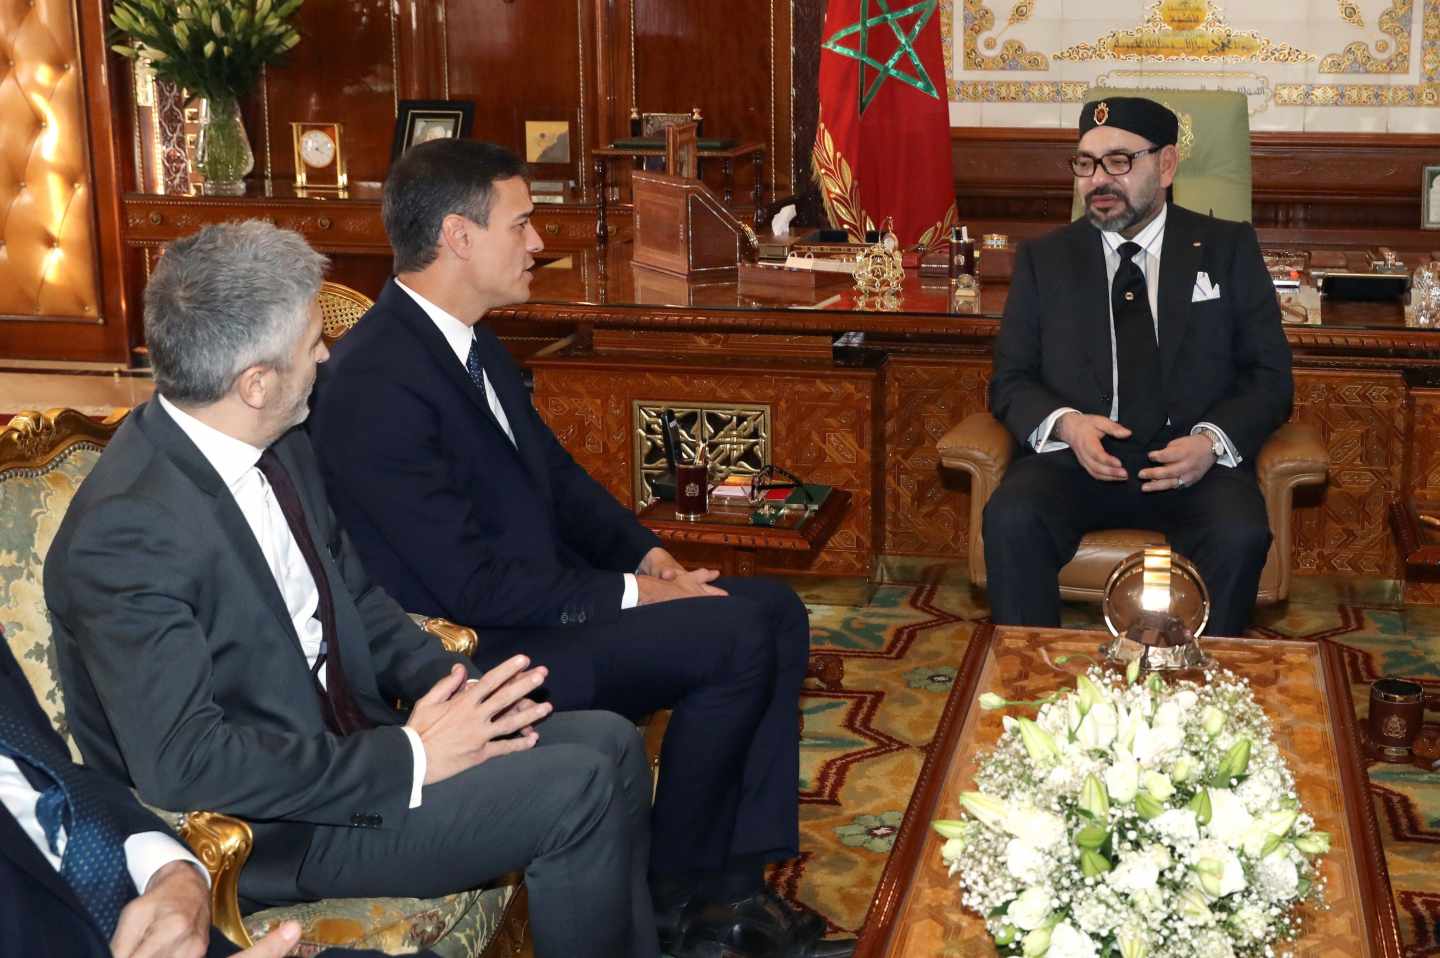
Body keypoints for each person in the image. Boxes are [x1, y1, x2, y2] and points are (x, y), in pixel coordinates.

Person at [43, 221, 658, 958]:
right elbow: (187, 762)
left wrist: (465, 691)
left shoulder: (280, 441)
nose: (328, 354)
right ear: (256, 382)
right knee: (577, 789)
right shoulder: (126, 537)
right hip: (282, 827)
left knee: (612, 740)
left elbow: (358, 600)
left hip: (354, 744)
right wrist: (412, 758)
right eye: (313, 344)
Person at [309, 139, 851, 958]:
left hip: (540, 607)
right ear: (459, 236)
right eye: (521, 225)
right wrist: (638, 599)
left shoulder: (468, 338)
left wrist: (646, 557)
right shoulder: (374, 381)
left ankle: (732, 887)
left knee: (772, 609)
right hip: (473, 655)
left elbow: (555, 481)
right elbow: (470, 585)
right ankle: (676, 899)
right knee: (733, 635)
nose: (537, 244)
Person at [984, 96, 1293, 637]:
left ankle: (1199, 695)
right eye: (1086, 163)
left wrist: (1210, 442)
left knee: (1239, 532)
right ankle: (1026, 681)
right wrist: (1067, 425)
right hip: (1079, 461)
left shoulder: (1227, 248)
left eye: (1119, 161)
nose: (1098, 179)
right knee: (1012, 517)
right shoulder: (1044, 258)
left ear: (1167, 165)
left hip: (1191, 461)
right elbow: (1010, 379)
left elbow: (1269, 377)